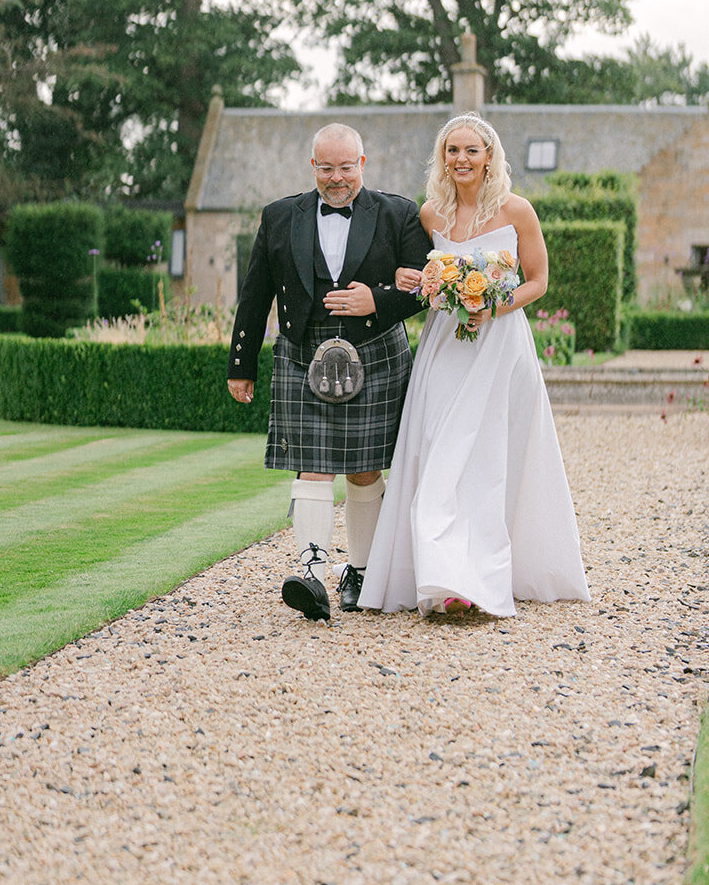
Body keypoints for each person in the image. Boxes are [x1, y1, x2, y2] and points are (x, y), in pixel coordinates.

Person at [359, 112, 590, 617]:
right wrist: (415, 279)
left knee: (491, 457)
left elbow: (538, 280)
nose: (460, 159)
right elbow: (420, 278)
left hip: (502, 344)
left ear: (489, 157)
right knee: (439, 449)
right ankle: (443, 575)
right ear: (442, 158)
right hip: (447, 344)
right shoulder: (430, 215)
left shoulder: (517, 211)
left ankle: (486, 572)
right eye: (452, 151)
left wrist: (494, 305)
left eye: (471, 151)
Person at [227, 123, 429, 621]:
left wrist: (375, 301)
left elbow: (428, 284)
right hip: (301, 348)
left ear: (363, 163)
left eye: (345, 167)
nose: (336, 178)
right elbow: (255, 294)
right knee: (311, 465)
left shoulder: (398, 213)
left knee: (365, 469)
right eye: (326, 167)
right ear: (312, 166)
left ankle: (360, 573)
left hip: (376, 348)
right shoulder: (279, 217)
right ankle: (313, 573)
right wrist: (242, 362)